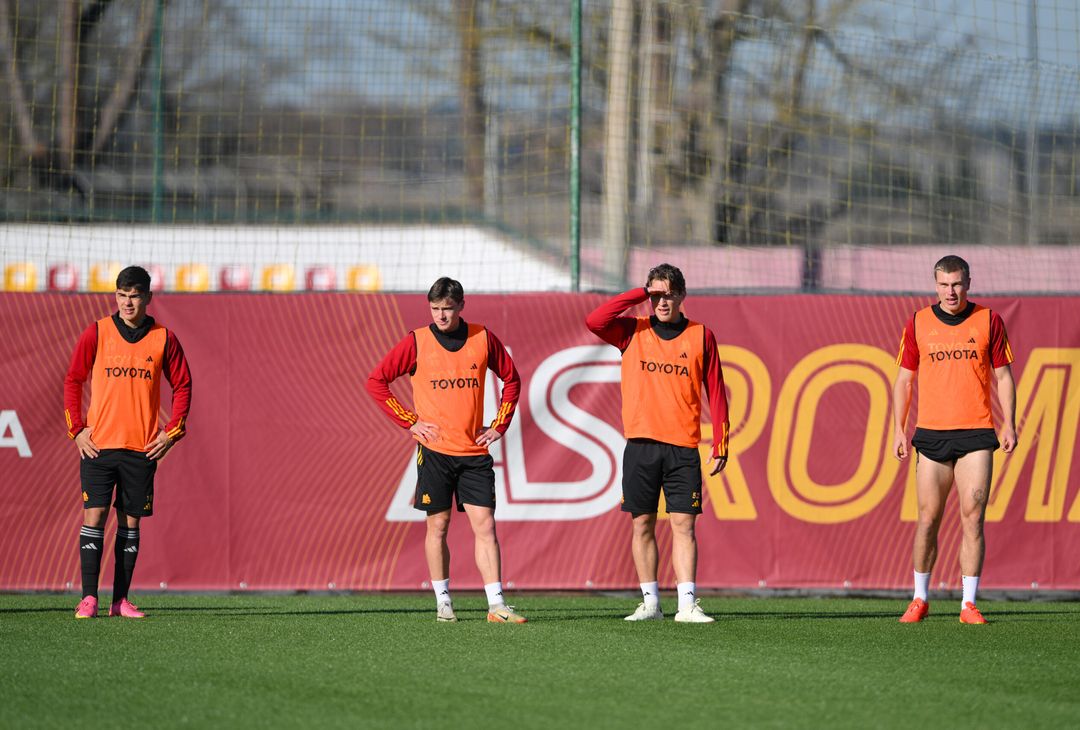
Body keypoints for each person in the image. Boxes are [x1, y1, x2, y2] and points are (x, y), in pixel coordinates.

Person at [366, 277, 526, 623]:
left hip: (473, 453)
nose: (441, 315)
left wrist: (500, 425)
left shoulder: (482, 337)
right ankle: (443, 601)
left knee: (485, 526)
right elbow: (376, 382)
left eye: (447, 309)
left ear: (461, 307)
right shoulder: (417, 341)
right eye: (435, 309)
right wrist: (410, 422)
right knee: (437, 526)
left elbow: (511, 379)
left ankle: (496, 605)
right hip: (435, 452)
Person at [586, 263, 730, 623]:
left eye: (668, 294)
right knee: (642, 524)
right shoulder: (632, 330)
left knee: (684, 525)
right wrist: (639, 295)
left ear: (682, 295)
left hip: (682, 447)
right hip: (641, 445)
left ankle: (687, 605)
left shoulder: (701, 335)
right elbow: (595, 320)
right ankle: (650, 603)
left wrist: (721, 442)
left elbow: (716, 390)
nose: (661, 302)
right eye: (655, 295)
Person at [892, 255, 1016, 625]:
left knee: (973, 518)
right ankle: (919, 598)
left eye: (957, 283)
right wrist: (899, 429)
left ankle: (968, 604)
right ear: (935, 285)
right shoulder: (918, 322)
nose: (951, 291)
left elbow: (1004, 376)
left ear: (968, 283)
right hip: (931, 435)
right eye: (944, 284)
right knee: (928, 519)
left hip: (977, 434)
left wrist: (1008, 423)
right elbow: (904, 380)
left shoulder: (989, 320)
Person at [64, 265, 193, 619]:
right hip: (99, 445)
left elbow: (183, 385)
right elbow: (73, 380)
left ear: (148, 298)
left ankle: (120, 601)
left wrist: (171, 433)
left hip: (141, 448)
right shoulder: (97, 332)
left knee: (130, 523)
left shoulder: (164, 338)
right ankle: (89, 598)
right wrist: (78, 430)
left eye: (134, 295)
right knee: (95, 514)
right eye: (122, 295)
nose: (127, 302)